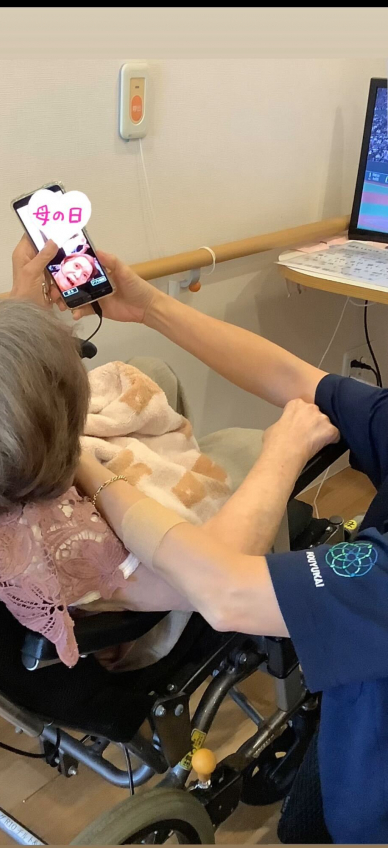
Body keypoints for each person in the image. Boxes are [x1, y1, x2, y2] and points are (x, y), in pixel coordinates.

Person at [46, 241, 388, 844]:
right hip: (356, 696)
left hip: (370, 790)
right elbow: (297, 380)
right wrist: (149, 306)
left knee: (316, 827)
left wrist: (86, 466)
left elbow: (224, 592)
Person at [0, 241, 333, 676]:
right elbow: (219, 581)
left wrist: (17, 322)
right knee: (245, 444)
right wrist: (284, 451)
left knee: (151, 372)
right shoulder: (64, 542)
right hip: (162, 595)